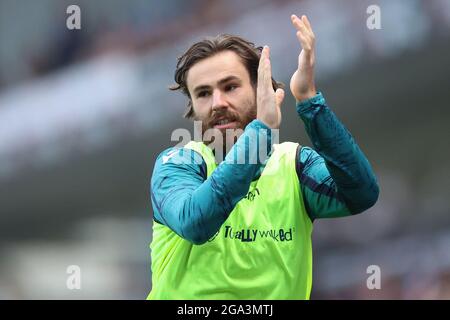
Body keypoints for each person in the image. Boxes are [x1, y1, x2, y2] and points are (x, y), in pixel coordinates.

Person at [147, 14, 379, 299]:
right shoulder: (178, 164)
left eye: (230, 87)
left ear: (260, 90)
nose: (218, 103)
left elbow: (361, 194)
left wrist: (309, 101)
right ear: (193, 108)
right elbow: (196, 223)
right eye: (204, 94)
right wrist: (261, 133)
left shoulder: (294, 165)